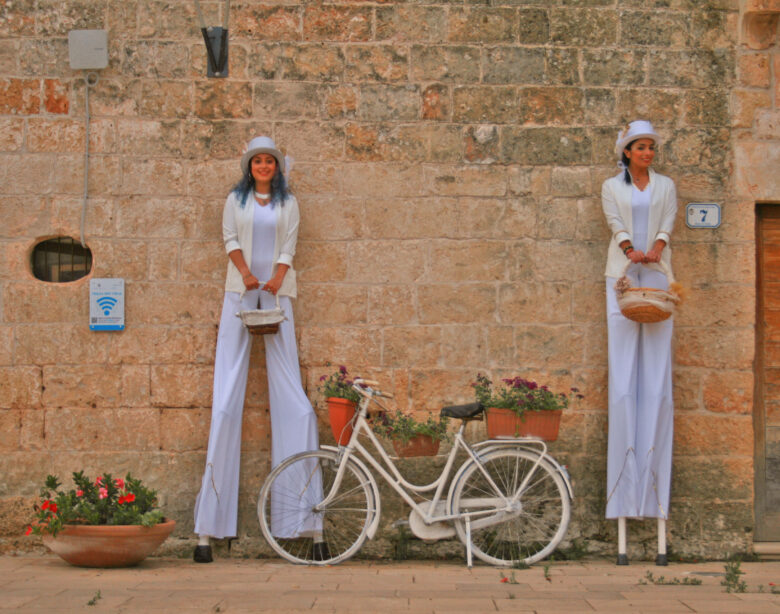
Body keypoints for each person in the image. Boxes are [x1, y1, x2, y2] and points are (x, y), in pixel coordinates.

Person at [193, 136, 320, 563]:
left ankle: (302, 521)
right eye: (257, 161)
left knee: (297, 404)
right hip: (241, 291)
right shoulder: (237, 199)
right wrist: (247, 275)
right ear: (249, 167)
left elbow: (290, 245)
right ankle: (209, 528)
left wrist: (277, 277)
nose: (263, 166)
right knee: (226, 399)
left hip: (278, 292)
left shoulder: (289, 203)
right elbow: (230, 239)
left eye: (270, 161)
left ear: (277, 167)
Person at [601, 120, 678, 566]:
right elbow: (614, 221)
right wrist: (631, 250)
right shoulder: (613, 186)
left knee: (658, 386)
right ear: (627, 152)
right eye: (641, 147)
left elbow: (667, 221)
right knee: (625, 386)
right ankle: (623, 505)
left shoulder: (666, 185)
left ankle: (657, 503)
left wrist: (658, 248)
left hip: (659, 275)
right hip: (624, 276)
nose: (648, 152)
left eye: (651, 146)